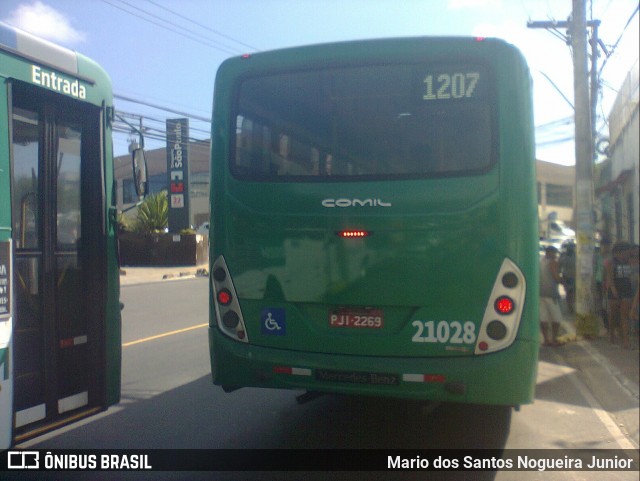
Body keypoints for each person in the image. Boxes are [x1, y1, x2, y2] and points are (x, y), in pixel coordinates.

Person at [605, 241, 633, 348]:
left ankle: (625, 340)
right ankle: (611, 332)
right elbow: (610, 278)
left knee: (624, 315)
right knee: (613, 314)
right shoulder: (611, 262)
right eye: (626, 250)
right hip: (615, 290)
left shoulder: (629, 261)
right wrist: (613, 289)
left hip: (626, 289)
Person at [539, 246, 563, 346]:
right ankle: (554, 339)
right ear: (550, 253)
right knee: (556, 318)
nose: (556, 255)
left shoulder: (540, 261)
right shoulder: (553, 262)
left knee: (543, 318)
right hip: (551, 294)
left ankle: (546, 340)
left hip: (540, 293)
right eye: (555, 253)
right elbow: (556, 278)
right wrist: (562, 279)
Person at [559, 241, 576, 313]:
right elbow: (559, 265)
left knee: (573, 293)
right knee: (568, 292)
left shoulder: (576, 255)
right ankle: (570, 307)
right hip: (566, 276)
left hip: (575, 277)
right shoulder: (563, 256)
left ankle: (572, 306)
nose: (570, 248)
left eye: (571, 247)